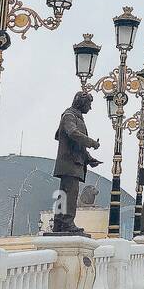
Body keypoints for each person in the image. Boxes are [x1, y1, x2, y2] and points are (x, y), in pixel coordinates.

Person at [51, 91, 101, 233]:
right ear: (81, 103)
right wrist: (91, 142)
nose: (90, 108)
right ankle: (67, 224)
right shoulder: (69, 116)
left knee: (64, 194)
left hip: (73, 162)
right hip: (70, 162)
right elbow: (72, 134)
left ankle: (59, 224)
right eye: (89, 104)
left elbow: (78, 145)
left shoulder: (75, 117)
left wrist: (90, 159)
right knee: (70, 194)